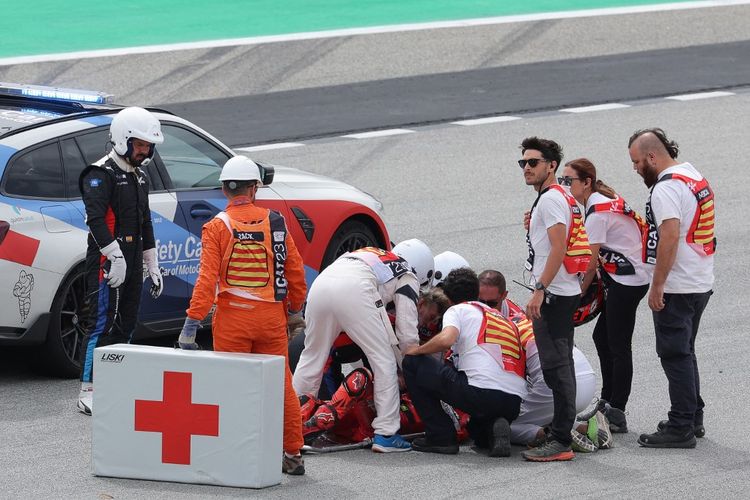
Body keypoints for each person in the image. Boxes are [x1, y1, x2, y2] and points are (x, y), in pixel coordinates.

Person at [177, 155, 308, 475]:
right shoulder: (276, 222)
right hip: (270, 320)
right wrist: (294, 310)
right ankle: (292, 453)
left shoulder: (216, 226)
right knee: (281, 386)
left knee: (231, 387)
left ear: (225, 190)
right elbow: (295, 274)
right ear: (253, 189)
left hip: (232, 320)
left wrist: (191, 325)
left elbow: (206, 281)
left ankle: (236, 455)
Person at [292, 239, 434, 453]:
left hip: (321, 284)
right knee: (383, 358)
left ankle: (293, 425)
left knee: (312, 356)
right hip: (356, 289)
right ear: (423, 272)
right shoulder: (407, 274)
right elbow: (406, 335)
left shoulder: (371, 253)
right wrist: (412, 364)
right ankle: (386, 434)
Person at [628, 128, 715, 448]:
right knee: (685, 350)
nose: (636, 169)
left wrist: (657, 286)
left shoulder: (666, 189)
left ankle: (681, 426)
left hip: (678, 285)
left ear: (652, 156)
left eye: (637, 162)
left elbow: (669, 237)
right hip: (700, 279)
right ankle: (693, 416)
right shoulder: (691, 175)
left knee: (674, 354)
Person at [77, 107, 165, 416]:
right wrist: (114, 257)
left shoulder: (140, 177)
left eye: (147, 146)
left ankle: (115, 382)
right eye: (139, 144)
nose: (144, 151)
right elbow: (95, 220)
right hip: (106, 259)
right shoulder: (99, 174)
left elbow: (146, 224)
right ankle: (87, 389)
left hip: (132, 257)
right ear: (123, 139)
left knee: (127, 323)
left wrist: (152, 264)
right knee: (101, 323)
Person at [560, 158, 651, 432]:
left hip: (629, 280)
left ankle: (617, 410)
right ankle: (608, 400)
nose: (564, 186)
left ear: (586, 182)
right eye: (562, 180)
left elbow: (589, 262)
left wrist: (577, 294)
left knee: (619, 344)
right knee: (603, 336)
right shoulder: (599, 198)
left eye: (569, 181)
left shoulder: (597, 211)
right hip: (627, 274)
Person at [518, 137, 591, 461]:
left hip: (556, 294)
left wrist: (540, 289)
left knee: (557, 367)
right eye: (523, 163)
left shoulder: (550, 200)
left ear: (551, 165)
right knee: (556, 365)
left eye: (533, 162)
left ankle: (561, 438)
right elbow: (550, 243)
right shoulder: (552, 198)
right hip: (560, 291)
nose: (527, 168)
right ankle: (561, 430)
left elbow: (559, 248)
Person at [403, 268, 527, 457]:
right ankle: (494, 427)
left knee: (412, 363)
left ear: (448, 297)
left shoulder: (457, 309)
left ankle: (440, 436)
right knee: (475, 430)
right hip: (513, 402)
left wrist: (416, 350)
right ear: (476, 292)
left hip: (481, 393)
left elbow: (446, 340)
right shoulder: (503, 318)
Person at [475, 270, 603, 450]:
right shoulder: (521, 313)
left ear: (504, 297)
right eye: (483, 303)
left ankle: (552, 436)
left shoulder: (496, 329)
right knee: (542, 409)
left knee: (496, 424)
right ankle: (583, 427)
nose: (487, 308)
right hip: (582, 375)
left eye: (491, 303)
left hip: (558, 381)